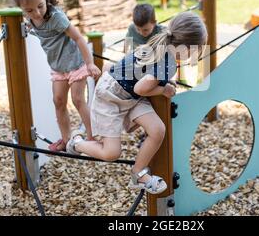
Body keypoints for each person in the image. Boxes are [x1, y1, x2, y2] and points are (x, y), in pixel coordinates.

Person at [66, 12, 207, 194]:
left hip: (130, 95)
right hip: (111, 96)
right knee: (111, 153)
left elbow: (144, 80)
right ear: (188, 48)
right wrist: (163, 90)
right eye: (199, 49)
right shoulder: (168, 63)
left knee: (157, 130)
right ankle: (76, 142)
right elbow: (142, 88)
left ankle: (138, 173)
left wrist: (162, 84)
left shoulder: (161, 42)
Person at [11, 0, 101, 151]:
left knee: (77, 99)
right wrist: (27, 26)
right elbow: (33, 24)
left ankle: (93, 137)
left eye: (40, 6)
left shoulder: (56, 17)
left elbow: (79, 38)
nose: (36, 13)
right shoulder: (31, 19)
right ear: (22, 8)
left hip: (76, 64)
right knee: (58, 101)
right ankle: (66, 139)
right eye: (29, 11)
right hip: (58, 67)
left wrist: (90, 63)